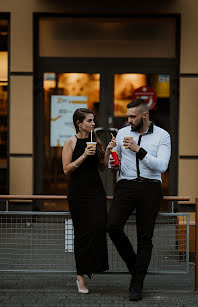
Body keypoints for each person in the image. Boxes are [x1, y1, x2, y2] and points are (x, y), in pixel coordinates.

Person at [107, 98, 171, 301]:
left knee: (145, 237)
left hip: (150, 187)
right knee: (112, 226)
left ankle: (137, 284)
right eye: (127, 116)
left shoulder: (162, 135)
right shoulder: (123, 133)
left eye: (132, 117)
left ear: (145, 115)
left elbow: (162, 166)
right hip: (125, 185)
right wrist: (112, 159)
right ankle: (136, 268)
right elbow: (113, 164)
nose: (128, 121)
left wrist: (139, 150)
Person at [62, 108, 116, 294]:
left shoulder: (96, 140)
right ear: (79, 123)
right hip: (78, 193)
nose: (93, 124)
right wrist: (84, 155)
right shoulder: (71, 142)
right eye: (90, 121)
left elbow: (102, 167)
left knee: (100, 226)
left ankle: (91, 264)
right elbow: (67, 170)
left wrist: (107, 150)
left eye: (93, 120)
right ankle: (80, 276)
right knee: (82, 233)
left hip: (96, 191)